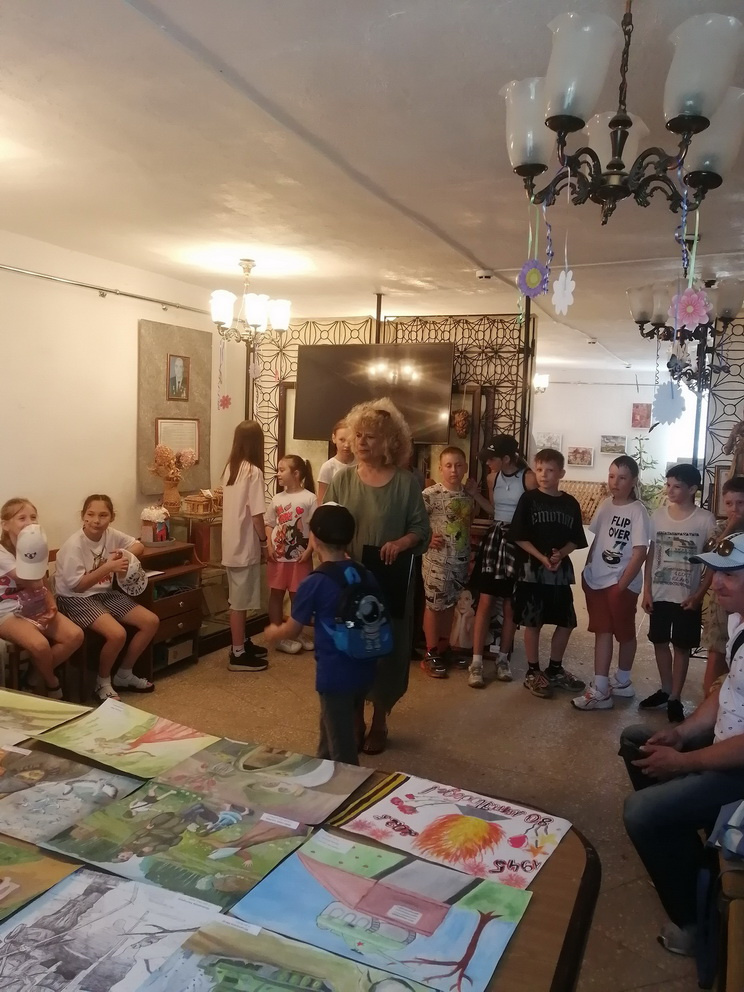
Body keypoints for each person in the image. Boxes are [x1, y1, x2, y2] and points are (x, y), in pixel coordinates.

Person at [621, 530, 744, 956]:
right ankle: (686, 856)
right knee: (638, 741)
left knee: (641, 812)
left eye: (731, 574)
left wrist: (686, 762)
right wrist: (681, 733)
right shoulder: (738, 620)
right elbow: (726, 694)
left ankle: (696, 926)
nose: (717, 583)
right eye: (716, 572)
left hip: (738, 771)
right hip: (725, 749)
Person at [325, 398, 430, 755]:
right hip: (350, 579)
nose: (362, 442)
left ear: (390, 442)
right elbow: (326, 526)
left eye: (371, 436)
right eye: (358, 435)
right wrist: (335, 555)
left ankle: (381, 720)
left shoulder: (406, 483)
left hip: (389, 581)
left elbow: (421, 529)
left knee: (386, 649)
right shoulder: (341, 479)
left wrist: (401, 543)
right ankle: (355, 718)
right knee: (351, 649)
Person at [265, 504, 383, 764]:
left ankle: (344, 783)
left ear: (314, 539)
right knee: (332, 726)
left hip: (335, 673)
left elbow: (293, 629)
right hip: (365, 667)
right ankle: (321, 766)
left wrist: (274, 632)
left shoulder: (314, 582)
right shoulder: (364, 574)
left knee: (342, 749)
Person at [55, 495, 157, 703]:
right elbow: (78, 585)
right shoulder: (74, 545)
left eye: (103, 515)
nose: (96, 520)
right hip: (75, 598)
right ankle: (102, 682)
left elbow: (138, 546)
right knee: (117, 634)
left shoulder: (110, 534)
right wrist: (108, 567)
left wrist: (123, 554)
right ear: (83, 516)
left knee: (150, 622)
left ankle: (124, 674)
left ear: (111, 517)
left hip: (104, 593)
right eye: (91, 514)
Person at [508, 447, 587, 699]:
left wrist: (560, 554)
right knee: (533, 622)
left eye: (550, 470)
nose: (543, 475)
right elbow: (518, 536)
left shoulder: (570, 503)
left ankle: (554, 669)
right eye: (539, 469)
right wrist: (541, 557)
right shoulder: (528, 500)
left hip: (559, 574)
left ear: (561, 473)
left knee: (566, 622)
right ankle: (533, 671)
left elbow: (576, 539)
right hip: (531, 572)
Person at [573, 456, 650, 710]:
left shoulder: (638, 511)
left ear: (634, 481)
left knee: (624, 633)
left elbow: (640, 551)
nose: (615, 482)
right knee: (602, 631)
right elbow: (598, 540)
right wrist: (587, 568)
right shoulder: (605, 505)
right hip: (597, 580)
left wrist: (622, 584)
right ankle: (601, 687)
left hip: (620, 584)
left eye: (622, 477)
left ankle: (623, 680)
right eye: (612, 476)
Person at [641, 464, 716, 723]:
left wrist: (699, 595)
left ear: (692, 489)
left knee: (682, 646)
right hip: (660, 593)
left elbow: (712, 562)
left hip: (687, 597)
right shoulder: (658, 516)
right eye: (668, 485)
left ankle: (675, 696)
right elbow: (652, 554)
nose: (670, 490)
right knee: (659, 641)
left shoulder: (705, 519)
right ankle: (665, 689)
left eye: (677, 486)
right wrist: (647, 590)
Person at [466, 435, 536, 689]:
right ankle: (476, 662)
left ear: (506, 458)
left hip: (518, 542)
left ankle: (503, 659)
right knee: (485, 601)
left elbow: (533, 513)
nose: (488, 463)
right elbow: (494, 510)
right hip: (495, 539)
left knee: (510, 605)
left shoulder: (529, 478)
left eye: (491, 459)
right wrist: (475, 495)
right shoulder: (492, 478)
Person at [0, 500, 83, 698]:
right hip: (8, 612)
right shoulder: (2, 552)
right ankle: (52, 682)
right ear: (5, 524)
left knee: (75, 636)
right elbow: (27, 577)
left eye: (33, 517)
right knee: (40, 645)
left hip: (35, 605)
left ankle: (32, 678)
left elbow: (42, 577)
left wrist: (51, 602)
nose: (30, 522)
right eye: (21, 518)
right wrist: (33, 549)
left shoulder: (35, 544)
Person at [419, 447, 474, 679]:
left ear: (465, 468)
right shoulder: (430, 494)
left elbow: (467, 524)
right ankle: (430, 652)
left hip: (459, 561)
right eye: (449, 465)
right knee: (434, 605)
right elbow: (414, 521)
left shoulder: (467, 496)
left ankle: (443, 647)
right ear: (440, 468)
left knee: (450, 604)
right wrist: (427, 538)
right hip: (437, 562)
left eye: (458, 465)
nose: (454, 470)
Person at [220, 420, 269, 673]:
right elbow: (257, 514)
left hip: (231, 542)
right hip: (245, 543)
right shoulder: (253, 472)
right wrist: (264, 542)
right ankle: (237, 653)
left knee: (240, 598)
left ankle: (242, 641)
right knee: (239, 602)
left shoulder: (231, 468)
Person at [266, 455, 317, 654]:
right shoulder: (277, 499)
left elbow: (314, 528)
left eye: (282, 470)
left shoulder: (310, 498)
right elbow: (269, 524)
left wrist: (310, 550)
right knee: (276, 594)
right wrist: (269, 546)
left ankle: (296, 632)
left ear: (296, 473)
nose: (277, 474)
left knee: (299, 596)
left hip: (300, 557)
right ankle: (278, 635)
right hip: (278, 556)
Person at [702, 476, 744, 694]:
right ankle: (709, 701)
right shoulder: (720, 528)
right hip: (721, 603)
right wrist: (731, 526)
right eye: (729, 503)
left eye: (741, 503)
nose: (734, 509)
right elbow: (712, 555)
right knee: (717, 652)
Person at [316, 420, 355, 504]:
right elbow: (322, 500)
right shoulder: (328, 467)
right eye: (342, 440)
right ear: (334, 438)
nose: (346, 445)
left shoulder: (362, 464)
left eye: (351, 440)